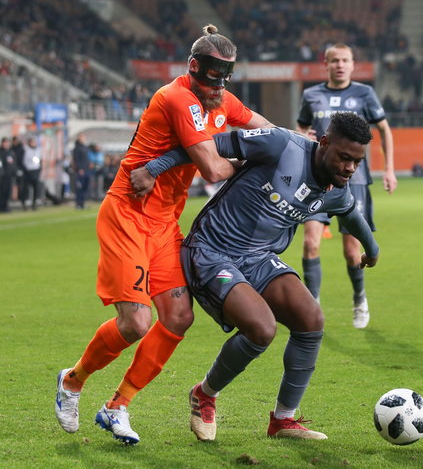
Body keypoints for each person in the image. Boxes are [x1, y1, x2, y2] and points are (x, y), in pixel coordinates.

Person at [54, 24, 273, 445]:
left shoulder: (221, 99)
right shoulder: (178, 98)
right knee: (137, 322)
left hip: (163, 223)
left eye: (226, 78)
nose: (219, 87)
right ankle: (73, 380)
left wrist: (302, 146)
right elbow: (212, 169)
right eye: (212, 77)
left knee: (178, 317)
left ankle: (116, 407)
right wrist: (251, 163)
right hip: (128, 215)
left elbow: (266, 130)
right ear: (193, 67)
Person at [138, 113, 379, 441]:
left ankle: (283, 420)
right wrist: (154, 168)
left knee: (311, 319)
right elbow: (205, 147)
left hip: (260, 259)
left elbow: (351, 214)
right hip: (211, 250)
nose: (350, 168)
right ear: (324, 143)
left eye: (357, 162)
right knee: (262, 328)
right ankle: (205, 394)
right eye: (344, 158)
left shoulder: (337, 188)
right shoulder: (282, 144)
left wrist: (372, 249)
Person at [296, 43, 396, 329]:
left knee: (352, 251)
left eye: (345, 60)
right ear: (325, 64)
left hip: (355, 180)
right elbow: (301, 129)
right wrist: (304, 135)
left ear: (353, 65)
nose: (340, 65)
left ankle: (359, 298)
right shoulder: (311, 95)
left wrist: (389, 169)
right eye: (334, 60)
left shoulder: (364, 93)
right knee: (310, 243)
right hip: (316, 180)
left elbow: (384, 129)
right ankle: (312, 306)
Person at [20, 137, 42, 210]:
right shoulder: (25, 149)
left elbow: (40, 160)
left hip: (36, 170)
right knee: (26, 188)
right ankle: (24, 202)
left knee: (36, 187)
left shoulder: (38, 150)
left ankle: (34, 202)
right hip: (28, 170)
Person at [71, 133, 91, 210]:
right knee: (80, 187)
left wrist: (89, 164)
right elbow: (76, 159)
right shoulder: (77, 148)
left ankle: (83, 203)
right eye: (82, 137)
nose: (83, 139)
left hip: (86, 170)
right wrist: (79, 169)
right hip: (81, 171)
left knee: (85, 187)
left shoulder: (85, 147)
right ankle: (78, 203)